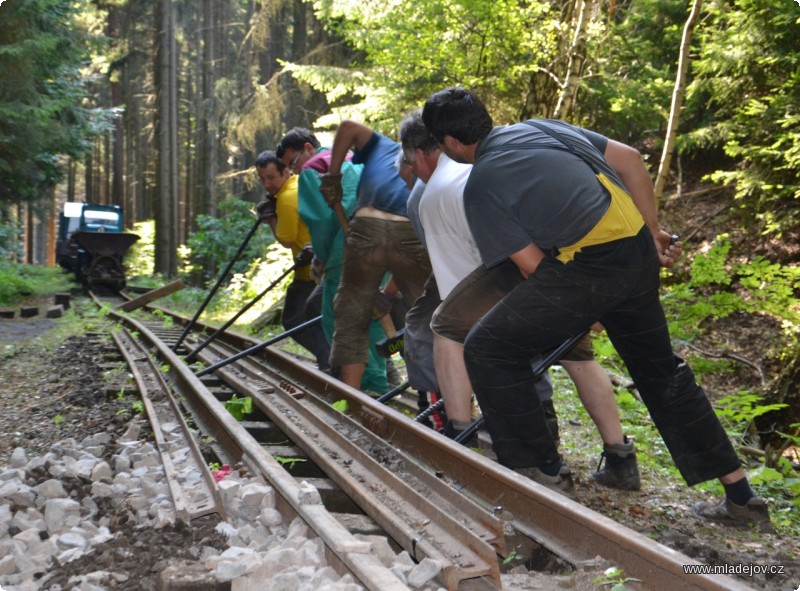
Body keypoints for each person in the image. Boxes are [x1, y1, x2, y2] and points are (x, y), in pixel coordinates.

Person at [420, 86, 770, 528]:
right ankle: (742, 497)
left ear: (450, 144)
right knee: (661, 371)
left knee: (488, 347)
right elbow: (628, 158)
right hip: (637, 253)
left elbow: (532, 267)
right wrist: (654, 231)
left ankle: (540, 476)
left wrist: (587, 304)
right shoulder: (541, 127)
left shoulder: (483, 182)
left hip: (592, 266)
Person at [399, 109, 639, 490]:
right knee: (578, 356)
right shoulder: (486, 164)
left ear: (423, 153)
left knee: (447, 328)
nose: (411, 172)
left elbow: (461, 279)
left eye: (409, 164)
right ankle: (621, 459)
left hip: (521, 271)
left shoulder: (432, 196)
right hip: (560, 262)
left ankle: (462, 445)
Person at [274, 128, 391, 393]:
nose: (295, 171)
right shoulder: (353, 161)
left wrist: (321, 259)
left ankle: (362, 387)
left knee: (338, 319)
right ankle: (379, 383)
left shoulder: (313, 171)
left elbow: (321, 224)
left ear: (308, 148)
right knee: (372, 314)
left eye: (293, 162)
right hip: (382, 244)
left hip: (346, 253)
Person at [318, 120, 432, 390]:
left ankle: (351, 398)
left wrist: (333, 176)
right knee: (429, 314)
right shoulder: (427, 159)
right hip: (410, 230)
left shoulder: (380, 144)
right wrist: (389, 294)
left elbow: (346, 126)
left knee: (351, 316)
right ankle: (442, 400)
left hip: (366, 228)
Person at [254, 150, 331, 373]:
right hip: (322, 265)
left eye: (271, 178)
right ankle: (330, 361)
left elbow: (286, 240)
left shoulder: (286, 199)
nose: (267, 184)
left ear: (286, 171)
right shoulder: (297, 184)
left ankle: (328, 362)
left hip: (309, 271)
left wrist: (270, 217)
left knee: (294, 319)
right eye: (262, 179)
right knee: (315, 316)